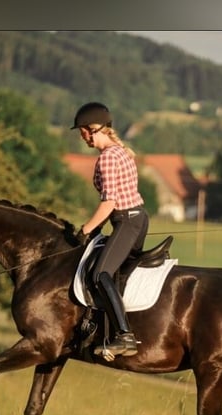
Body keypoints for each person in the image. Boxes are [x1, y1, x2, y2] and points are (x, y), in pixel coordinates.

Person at [72, 101, 149, 358]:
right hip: (137, 218)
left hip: (126, 220)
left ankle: (124, 337)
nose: (82, 137)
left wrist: (85, 229)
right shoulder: (120, 151)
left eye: (83, 131)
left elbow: (110, 203)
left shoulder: (107, 158)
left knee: (100, 273)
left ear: (93, 128)